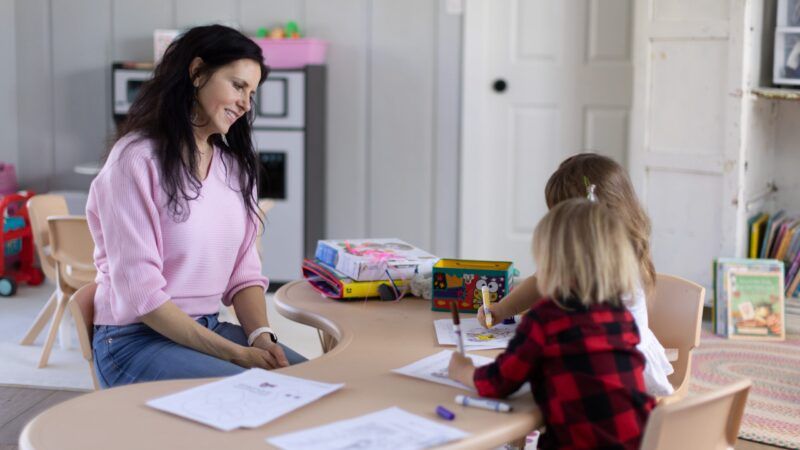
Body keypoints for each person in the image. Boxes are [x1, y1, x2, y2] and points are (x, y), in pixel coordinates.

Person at [87, 25, 305, 389]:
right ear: (197, 72)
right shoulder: (134, 161)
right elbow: (144, 298)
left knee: (318, 383)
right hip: (134, 341)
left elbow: (244, 274)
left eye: (252, 93)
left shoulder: (232, 167)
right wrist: (236, 354)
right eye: (238, 86)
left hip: (206, 327)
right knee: (265, 392)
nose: (246, 104)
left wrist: (261, 338)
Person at [449, 199, 656, 450]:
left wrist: (463, 371)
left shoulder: (545, 318)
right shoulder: (621, 317)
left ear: (551, 265)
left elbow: (497, 382)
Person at [478, 153, 674, 396]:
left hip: (613, 370)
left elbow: (503, 376)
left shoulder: (612, 265)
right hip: (602, 358)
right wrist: (501, 309)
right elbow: (541, 281)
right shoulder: (597, 250)